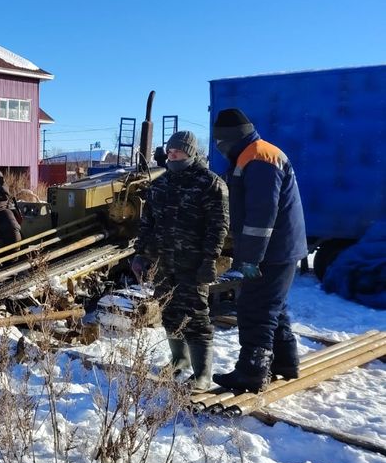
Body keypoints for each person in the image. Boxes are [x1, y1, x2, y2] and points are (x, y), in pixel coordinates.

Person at [210, 108, 308, 393]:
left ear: (231, 137)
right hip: (279, 248)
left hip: (271, 251)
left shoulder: (259, 157)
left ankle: (252, 371)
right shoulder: (252, 154)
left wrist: (251, 258)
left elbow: (261, 216)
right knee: (273, 306)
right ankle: (285, 362)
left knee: (255, 308)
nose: (218, 147)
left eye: (220, 141)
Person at [132, 131, 229, 391]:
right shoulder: (160, 185)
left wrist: (210, 259)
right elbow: (147, 223)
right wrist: (140, 253)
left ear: (191, 152)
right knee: (169, 312)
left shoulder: (209, 183)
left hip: (193, 263)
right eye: (170, 152)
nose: (172, 156)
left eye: (178, 152)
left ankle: (202, 374)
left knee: (196, 316)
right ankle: (179, 360)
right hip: (163, 262)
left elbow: (218, 226)